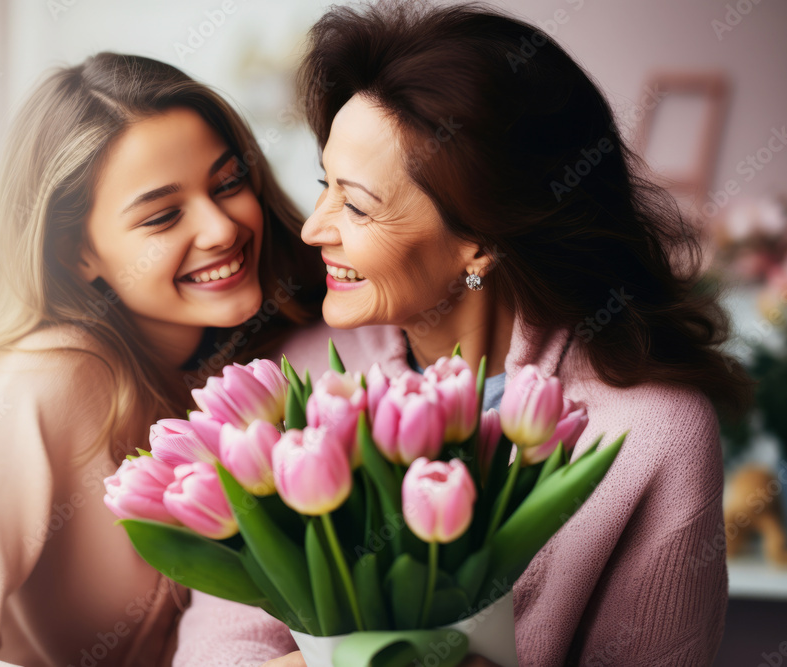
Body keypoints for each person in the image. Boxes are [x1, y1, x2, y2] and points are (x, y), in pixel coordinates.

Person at [171, 2, 755, 665]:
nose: (314, 228)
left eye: (357, 204)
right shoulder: (290, 383)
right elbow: (221, 646)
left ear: (480, 241)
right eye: (322, 184)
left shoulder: (652, 432)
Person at [0, 52, 325, 666]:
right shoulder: (42, 381)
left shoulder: (280, 356)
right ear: (80, 255)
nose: (220, 228)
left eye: (229, 183)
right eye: (162, 216)